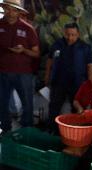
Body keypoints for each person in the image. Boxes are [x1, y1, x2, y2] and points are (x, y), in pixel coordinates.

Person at [44, 22, 92, 133]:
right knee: (54, 108)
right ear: (64, 33)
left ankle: (75, 132)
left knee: (76, 109)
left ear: (78, 34)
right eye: (67, 34)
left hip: (77, 84)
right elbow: (49, 60)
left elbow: (90, 65)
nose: (70, 37)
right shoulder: (57, 44)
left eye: (73, 35)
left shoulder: (85, 47)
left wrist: (90, 83)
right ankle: (51, 131)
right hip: (58, 82)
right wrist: (47, 75)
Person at [0, 0, 40, 133]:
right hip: (2, 72)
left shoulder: (28, 29)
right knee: (2, 104)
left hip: (23, 73)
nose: (10, 12)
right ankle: (5, 131)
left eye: (14, 10)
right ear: (4, 8)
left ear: (19, 12)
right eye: (7, 9)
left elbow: (36, 53)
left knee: (27, 104)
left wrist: (23, 50)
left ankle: (27, 132)